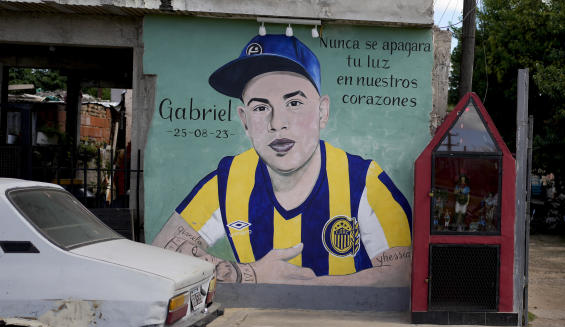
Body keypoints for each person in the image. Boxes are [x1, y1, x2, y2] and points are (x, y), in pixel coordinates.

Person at [152, 33, 412, 286]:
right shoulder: (228, 181)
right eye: (260, 108)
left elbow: (403, 273)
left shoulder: (363, 180)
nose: (277, 124)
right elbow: (159, 256)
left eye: (294, 103)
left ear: (322, 111)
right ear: (245, 120)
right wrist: (246, 274)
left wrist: (306, 291)